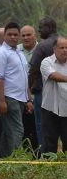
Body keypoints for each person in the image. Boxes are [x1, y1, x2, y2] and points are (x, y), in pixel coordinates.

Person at [0, 22, 34, 157]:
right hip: (9, 97)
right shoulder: (1, 53)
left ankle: (5, 162)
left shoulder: (19, 53)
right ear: (4, 36)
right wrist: (1, 100)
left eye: (16, 34)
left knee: (8, 132)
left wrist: (28, 99)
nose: (13, 37)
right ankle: (15, 162)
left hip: (20, 98)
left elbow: (24, 77)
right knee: (17, 131)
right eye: (10, 34)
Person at [29, 17, 58, 146]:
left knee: (43, 126)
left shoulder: (42, 46)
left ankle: (46, 157)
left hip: (43, 92)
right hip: (62, 92)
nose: (39, 30)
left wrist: (28, 90)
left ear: (50, 28)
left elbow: (33, 70)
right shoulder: (64, 43)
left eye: (41, 27)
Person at [40, 36, 67, 153]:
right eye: (62, 47)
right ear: (54, 49)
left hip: (66, 108)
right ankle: (48, 168)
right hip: (50, 108)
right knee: (50, 141)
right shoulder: (46, 62)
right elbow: (53, 76)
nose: (65, 50)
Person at [17, 25, 39, 150]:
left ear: (34, 35)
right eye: (23, 35)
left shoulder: (41, 49)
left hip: (39, 96)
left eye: (28, 35)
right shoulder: (16, 50)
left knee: (37, 129)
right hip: (21, 98)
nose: (26, 38)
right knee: (23, 130)